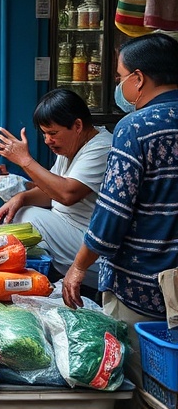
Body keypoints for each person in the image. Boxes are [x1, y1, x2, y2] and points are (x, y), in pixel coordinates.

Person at [63, 33, 178, 397]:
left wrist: (79, 266)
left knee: (141, 386)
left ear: (139, 79)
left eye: (119, 78)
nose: (119, 86)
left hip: (144, 285)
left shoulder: (137, 128)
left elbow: (113, 212)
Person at [0, 89, 111, 289]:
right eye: (44, 134)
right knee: (20, 211)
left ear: (78, 125)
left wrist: (25, 160)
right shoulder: (72, 144)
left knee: (27, 219)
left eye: (53, 133)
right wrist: (21, 197)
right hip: (69, 231)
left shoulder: (101, 147)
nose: (47, 141)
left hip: (90, 245)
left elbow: (66, 193)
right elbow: (50, 191)